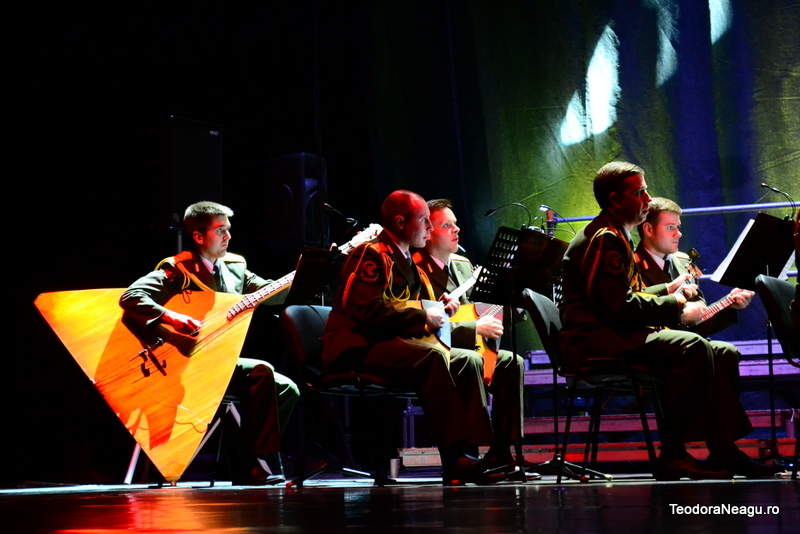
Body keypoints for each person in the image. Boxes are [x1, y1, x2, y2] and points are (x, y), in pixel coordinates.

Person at [559, 161, 776, 480]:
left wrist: (666, 287)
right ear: (616, 200)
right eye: (640, 192)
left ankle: (722, 450)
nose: (648, 199)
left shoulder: (615, 233)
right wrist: (673, 303)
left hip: (614, 334)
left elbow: (625, 295)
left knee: (723, 353)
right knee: (689, 346)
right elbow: (616, 308)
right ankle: (674, 454)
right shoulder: (605, 237)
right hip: (597, 341)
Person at [321, 190, 503, 485]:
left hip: (387, 345)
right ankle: (456, 457)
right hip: (356, 346)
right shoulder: (371, 253)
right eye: (424, 222)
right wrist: (422, 317)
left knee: (468, 359)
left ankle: (470, 454)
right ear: (401, 222)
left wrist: (439, 307)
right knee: (431, 356)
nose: (430, 229)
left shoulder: (407, 259)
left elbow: (414, 304)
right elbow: (366, 312)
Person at [120, 201, 299, 485]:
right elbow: (131, 297)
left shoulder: (235, 268)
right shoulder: (177, 269)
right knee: (261, 371)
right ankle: (256, 466)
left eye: (228, 230)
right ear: (199, 237)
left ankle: (248, 463)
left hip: (219, 363)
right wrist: (172, 316)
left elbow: (269, 293)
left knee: (287, 389)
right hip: (184, 363)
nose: (228, 236)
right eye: (220, 231)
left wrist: (300, 277)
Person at [412, 199, 533, 477]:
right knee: (468, 361)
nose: (456, 230)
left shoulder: (463, 266)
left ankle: (502, 452)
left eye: (455, 223)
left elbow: (487, 310)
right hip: (436, 351)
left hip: (472, 348)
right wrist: (474, 328)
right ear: (428, 231)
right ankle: (464, 456)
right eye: (447, 225)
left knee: (511, 362)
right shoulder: (415, 271)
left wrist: (511, 296)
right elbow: (424, 326)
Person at [634, 196, 754, 335]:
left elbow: (700, 321)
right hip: (654, 348)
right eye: (670, 227)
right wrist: (680, 314)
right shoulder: (629, 267)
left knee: (727, 352)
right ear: (648, 229)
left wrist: (729, 305)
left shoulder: (686, 261)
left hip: (690, 343)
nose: (678, 234)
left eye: (678, 227)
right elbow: (632, 319)